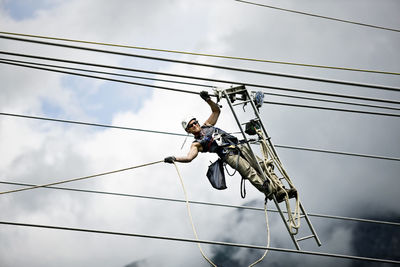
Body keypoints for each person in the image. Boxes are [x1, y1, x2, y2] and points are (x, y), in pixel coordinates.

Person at [164, 91, 296, 202]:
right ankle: (272, 193)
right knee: (250, 171)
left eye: (195, 122)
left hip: (239, 146)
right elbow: (189, 157)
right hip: (229, 155)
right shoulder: (196, 144)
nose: (195, 125)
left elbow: (216, 110)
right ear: (188, 131)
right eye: (191, 125)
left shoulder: (207, 125)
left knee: (262, 165)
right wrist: (175, 158)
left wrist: (208, 100)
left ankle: (281, 189)